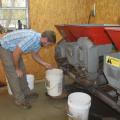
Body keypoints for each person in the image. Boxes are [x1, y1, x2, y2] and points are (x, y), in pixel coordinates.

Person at [0, 29, 56, 109]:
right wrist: (17, 69)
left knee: (22, 71)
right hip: (5, 47)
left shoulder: (39, 42)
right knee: (14, 75)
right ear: (45, 39)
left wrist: (45, 64)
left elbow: (34, 55)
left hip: (14, 49)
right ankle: (19, 100)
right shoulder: (31, 39)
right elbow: (16, 53)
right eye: (49, 44)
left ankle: (27, 93)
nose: (48, 46)